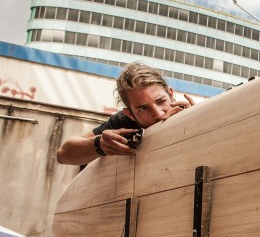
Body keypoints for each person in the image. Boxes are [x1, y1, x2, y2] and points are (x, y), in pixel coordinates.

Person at [56, 62, 195, 165]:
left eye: (161, 101)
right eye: (143, 109)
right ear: (129, 114)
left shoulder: (188, 112)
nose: (158, 114)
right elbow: (62, 154)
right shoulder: (123, 124)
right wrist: (99, 145)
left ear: (170, 93)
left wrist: (198, 120)